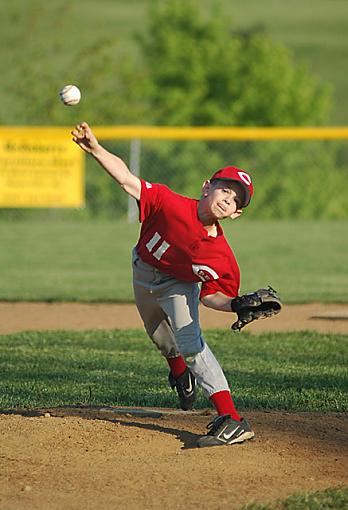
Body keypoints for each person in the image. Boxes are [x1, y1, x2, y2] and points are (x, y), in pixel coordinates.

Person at [72, 122, 257, 448]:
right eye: (225, 189)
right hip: (142, 271)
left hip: (178, 287)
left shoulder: (222, 258)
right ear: (206, 187)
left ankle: (233, 419)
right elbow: (127, 179)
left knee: (191, 345)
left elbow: (212, 296)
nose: (228, 199)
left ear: (237, 214)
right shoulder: (168, 202)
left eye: (235, 199)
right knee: (159, 337)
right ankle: (181, 376)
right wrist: (96, 149)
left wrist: (236, 304)